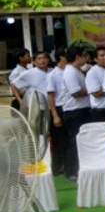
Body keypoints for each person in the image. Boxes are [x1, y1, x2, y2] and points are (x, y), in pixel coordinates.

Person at [60, 47, 91, 182]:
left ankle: (78, 168)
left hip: (81, 109)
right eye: (84, 56)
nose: (86, 59)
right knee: (74, 141)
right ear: (78, 57)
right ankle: (70, 170)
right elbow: (75, 92)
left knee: (81, 140)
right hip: (74, 111)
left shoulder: (76, 70)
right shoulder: (70, 72)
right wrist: (93, 89)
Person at [46, 47, 68, 176]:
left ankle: (68, 164)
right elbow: (50, 96)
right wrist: (54, 115)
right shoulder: (53, 75)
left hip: (69, 108)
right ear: (61, 57)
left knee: (69, 140)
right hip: (59, 108)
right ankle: (57, 167)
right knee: (59, 140)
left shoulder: (71, 71)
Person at [86, 46, 105, 123]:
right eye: (102, 56)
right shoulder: (92, 72)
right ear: (95, 59)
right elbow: (96, 93)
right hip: (100, 111)